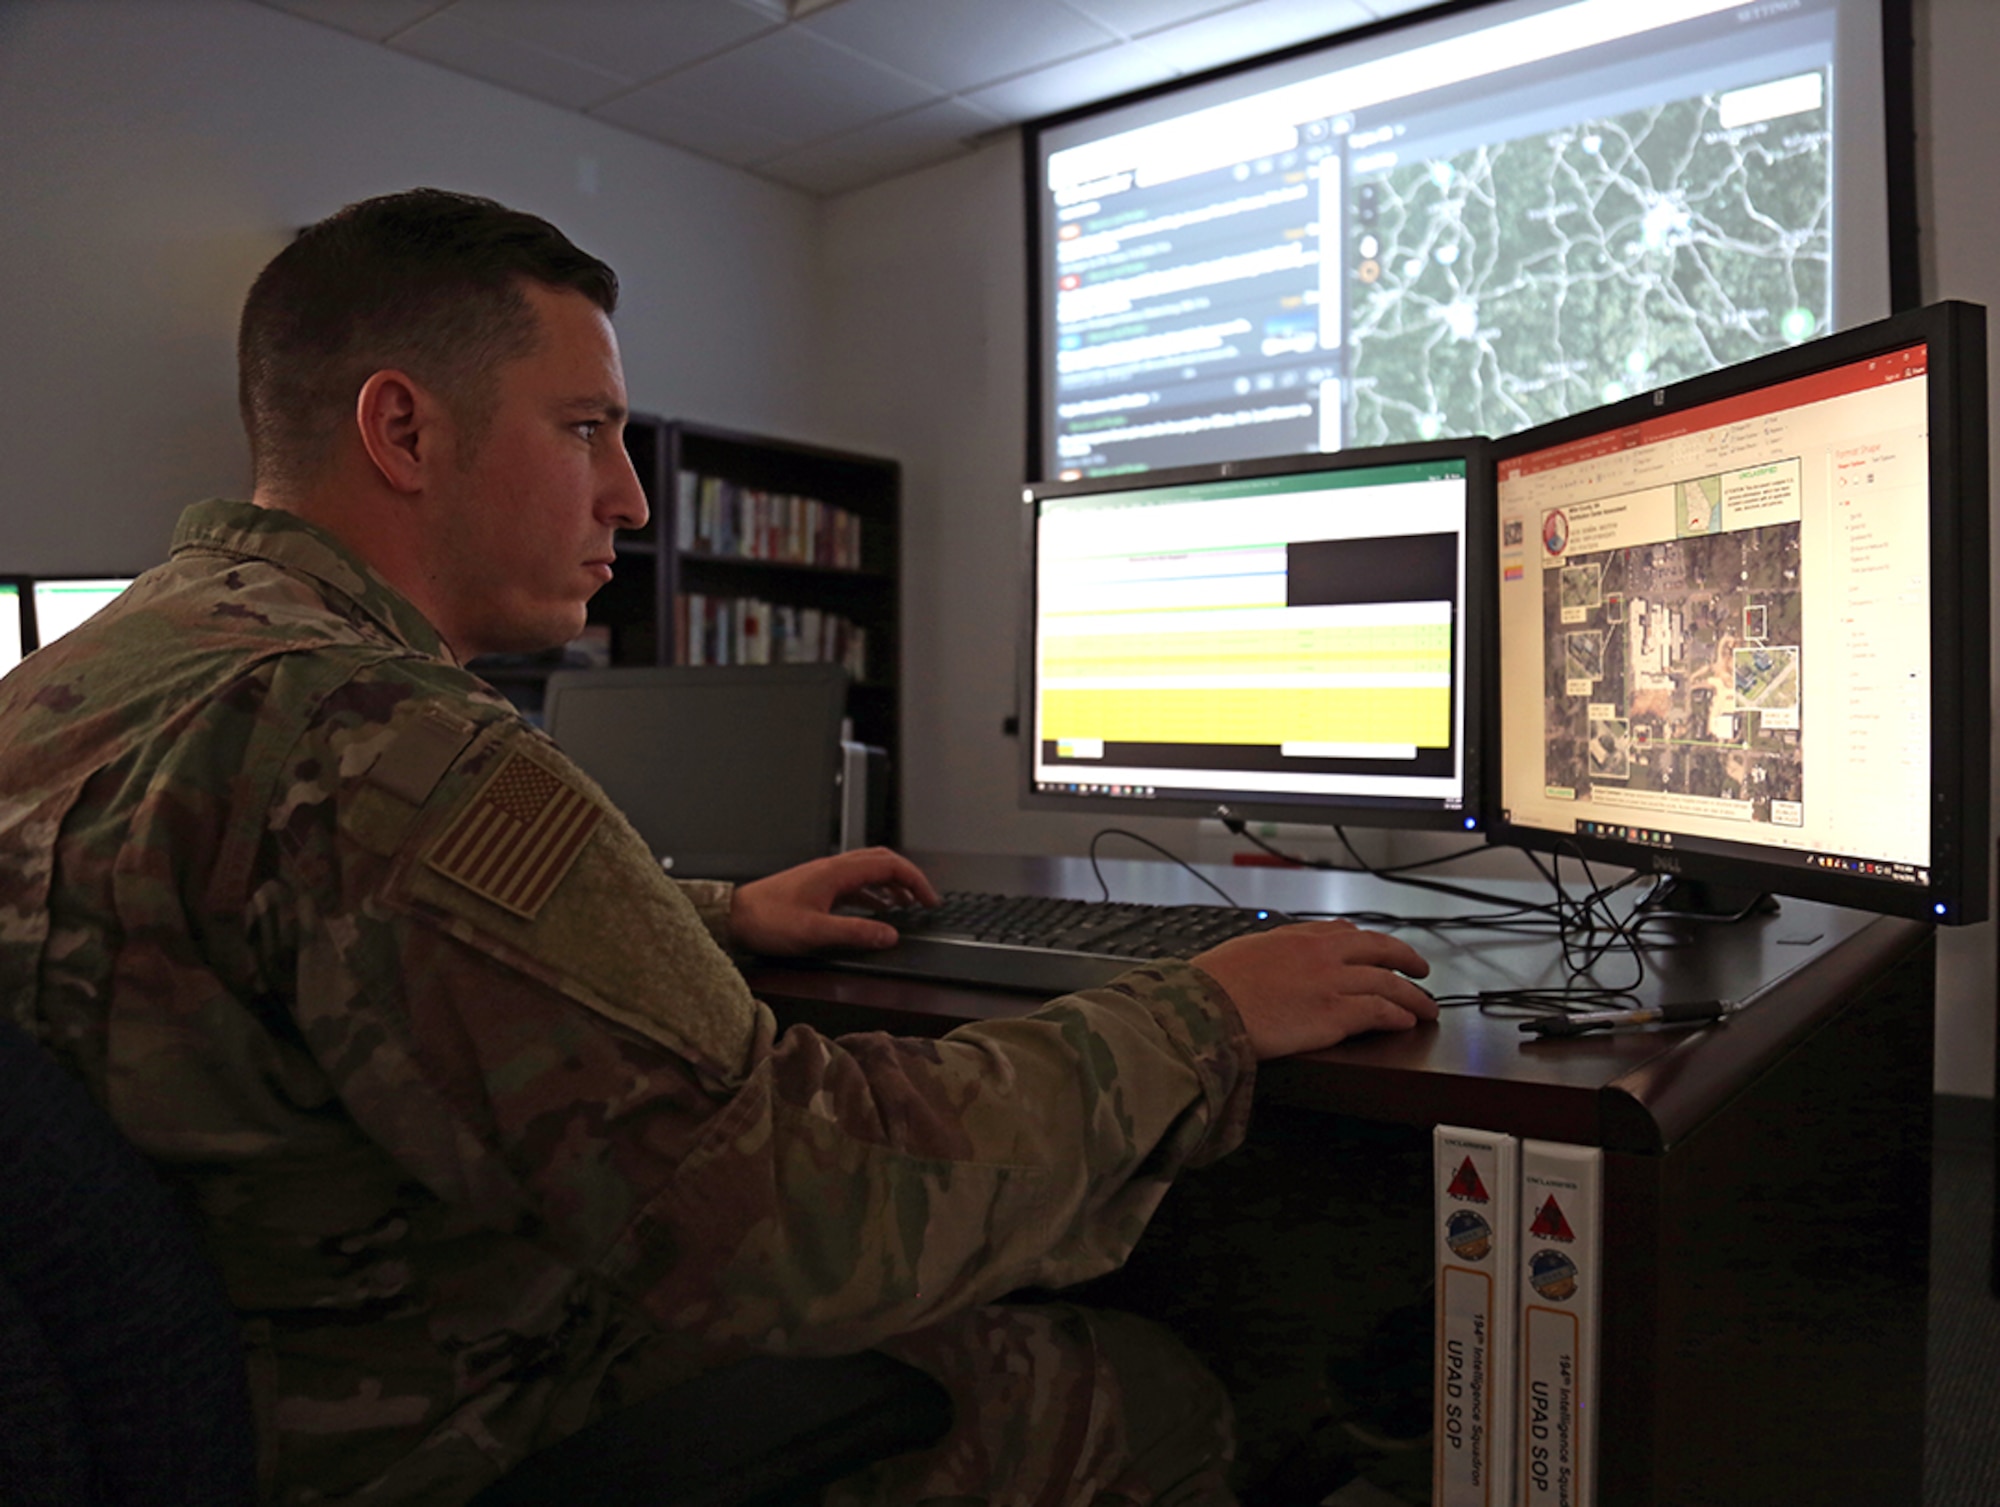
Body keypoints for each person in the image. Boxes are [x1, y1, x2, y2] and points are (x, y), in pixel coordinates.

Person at [0, 188, 1438, 1506]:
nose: (627, 496)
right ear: (405, 431)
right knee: (1153, 1385)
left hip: (217, 1406)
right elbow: (799, 1215)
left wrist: (705, 915)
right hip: (453, 1434)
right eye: (584, 429)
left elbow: (276, 947)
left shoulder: (90, 679)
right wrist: (1202, 1017)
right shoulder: (389, 743)